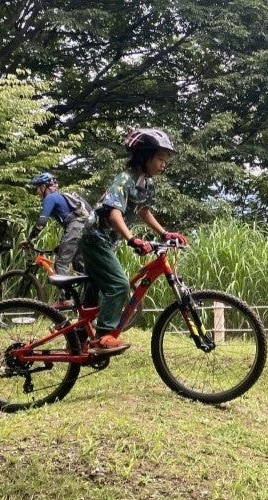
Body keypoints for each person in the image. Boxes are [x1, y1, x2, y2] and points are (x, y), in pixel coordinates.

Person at [77, 128, 188, 351]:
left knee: (94, 294)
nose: (163, 164)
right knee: (118, 285)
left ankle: (79, 339)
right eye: (159, 158)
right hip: (94, 239)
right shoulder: (124, 179)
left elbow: (143, 211)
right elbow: (114, 213)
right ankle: (103, 338)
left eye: (165, 160)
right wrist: (132, 239)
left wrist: (164, 233)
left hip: (106, 242)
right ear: (144, 156)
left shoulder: (146, 184)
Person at [23, 172, 89, 308]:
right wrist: (61, 244)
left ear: (44, 186)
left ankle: (64, 299)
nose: (37, 192)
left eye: (37, 188)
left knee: (61, 263)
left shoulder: (50, 197)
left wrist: (29, 239)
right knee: (80, 267)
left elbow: (42, 221)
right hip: (84, 228)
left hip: (76, 226)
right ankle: (86, 302)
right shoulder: (58, 197)